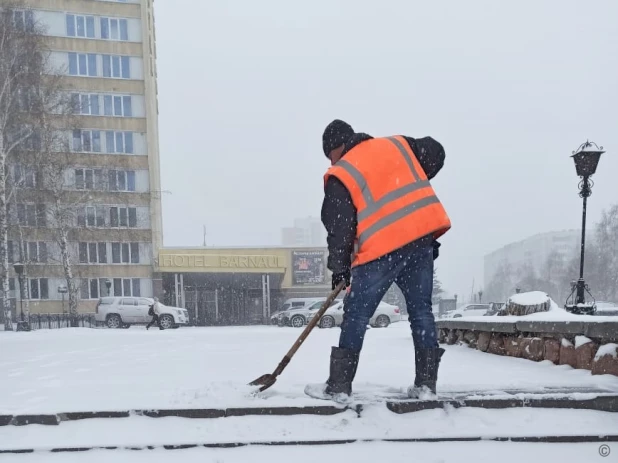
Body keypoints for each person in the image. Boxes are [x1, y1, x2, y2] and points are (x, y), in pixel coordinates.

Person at [305, 119, 451, 402]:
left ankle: (339, 386)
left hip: (381, 250)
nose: (330, 162)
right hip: (420, 241)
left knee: (357, 314)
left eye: (329, 155)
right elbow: (436, 151)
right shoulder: (397, 145)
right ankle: (426, 386)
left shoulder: (342, 172)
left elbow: (339, 228)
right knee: (421, 312)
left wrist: (340, 270)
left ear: (336, 147)